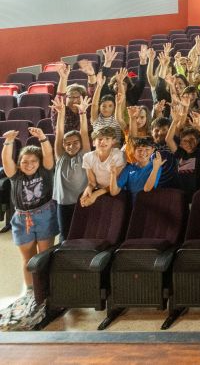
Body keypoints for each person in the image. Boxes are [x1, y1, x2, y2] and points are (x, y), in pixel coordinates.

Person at [2, 128, 57, 301]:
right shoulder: (15, 175)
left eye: (33, 161)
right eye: (25, 161)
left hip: (45, 216)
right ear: (19, 163)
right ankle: (30, 292)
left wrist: (42, 137)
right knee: (28, 258)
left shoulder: (45, 171)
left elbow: (48, 155)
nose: (29, 164)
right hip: (22, 219)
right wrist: (9, 141)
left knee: (44, 255)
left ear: (39, 162)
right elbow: (6, 160)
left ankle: (47, 290)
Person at [51, 94, 91, 240]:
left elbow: (84, 133)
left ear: (80, 144)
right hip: (63, 203)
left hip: (82, 202)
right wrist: (60, 114)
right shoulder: (61, 156)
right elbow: (59, 133)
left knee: (82, 232)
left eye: (75, 142)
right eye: (67, 143)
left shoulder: (85, 155)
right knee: (65, 234)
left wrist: (82, 113)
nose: (71, 146)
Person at [80, 126, 125, 206]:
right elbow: (92, 183)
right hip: (100, 190)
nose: (103, 141)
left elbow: (117, 182)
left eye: (107, 138)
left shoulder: (118, 155)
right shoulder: (87, 157)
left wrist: (95, 195)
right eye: (100, 139)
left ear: (113, 141)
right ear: (94, 142)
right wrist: (89, 189)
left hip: (117, 191)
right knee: (84, 200)